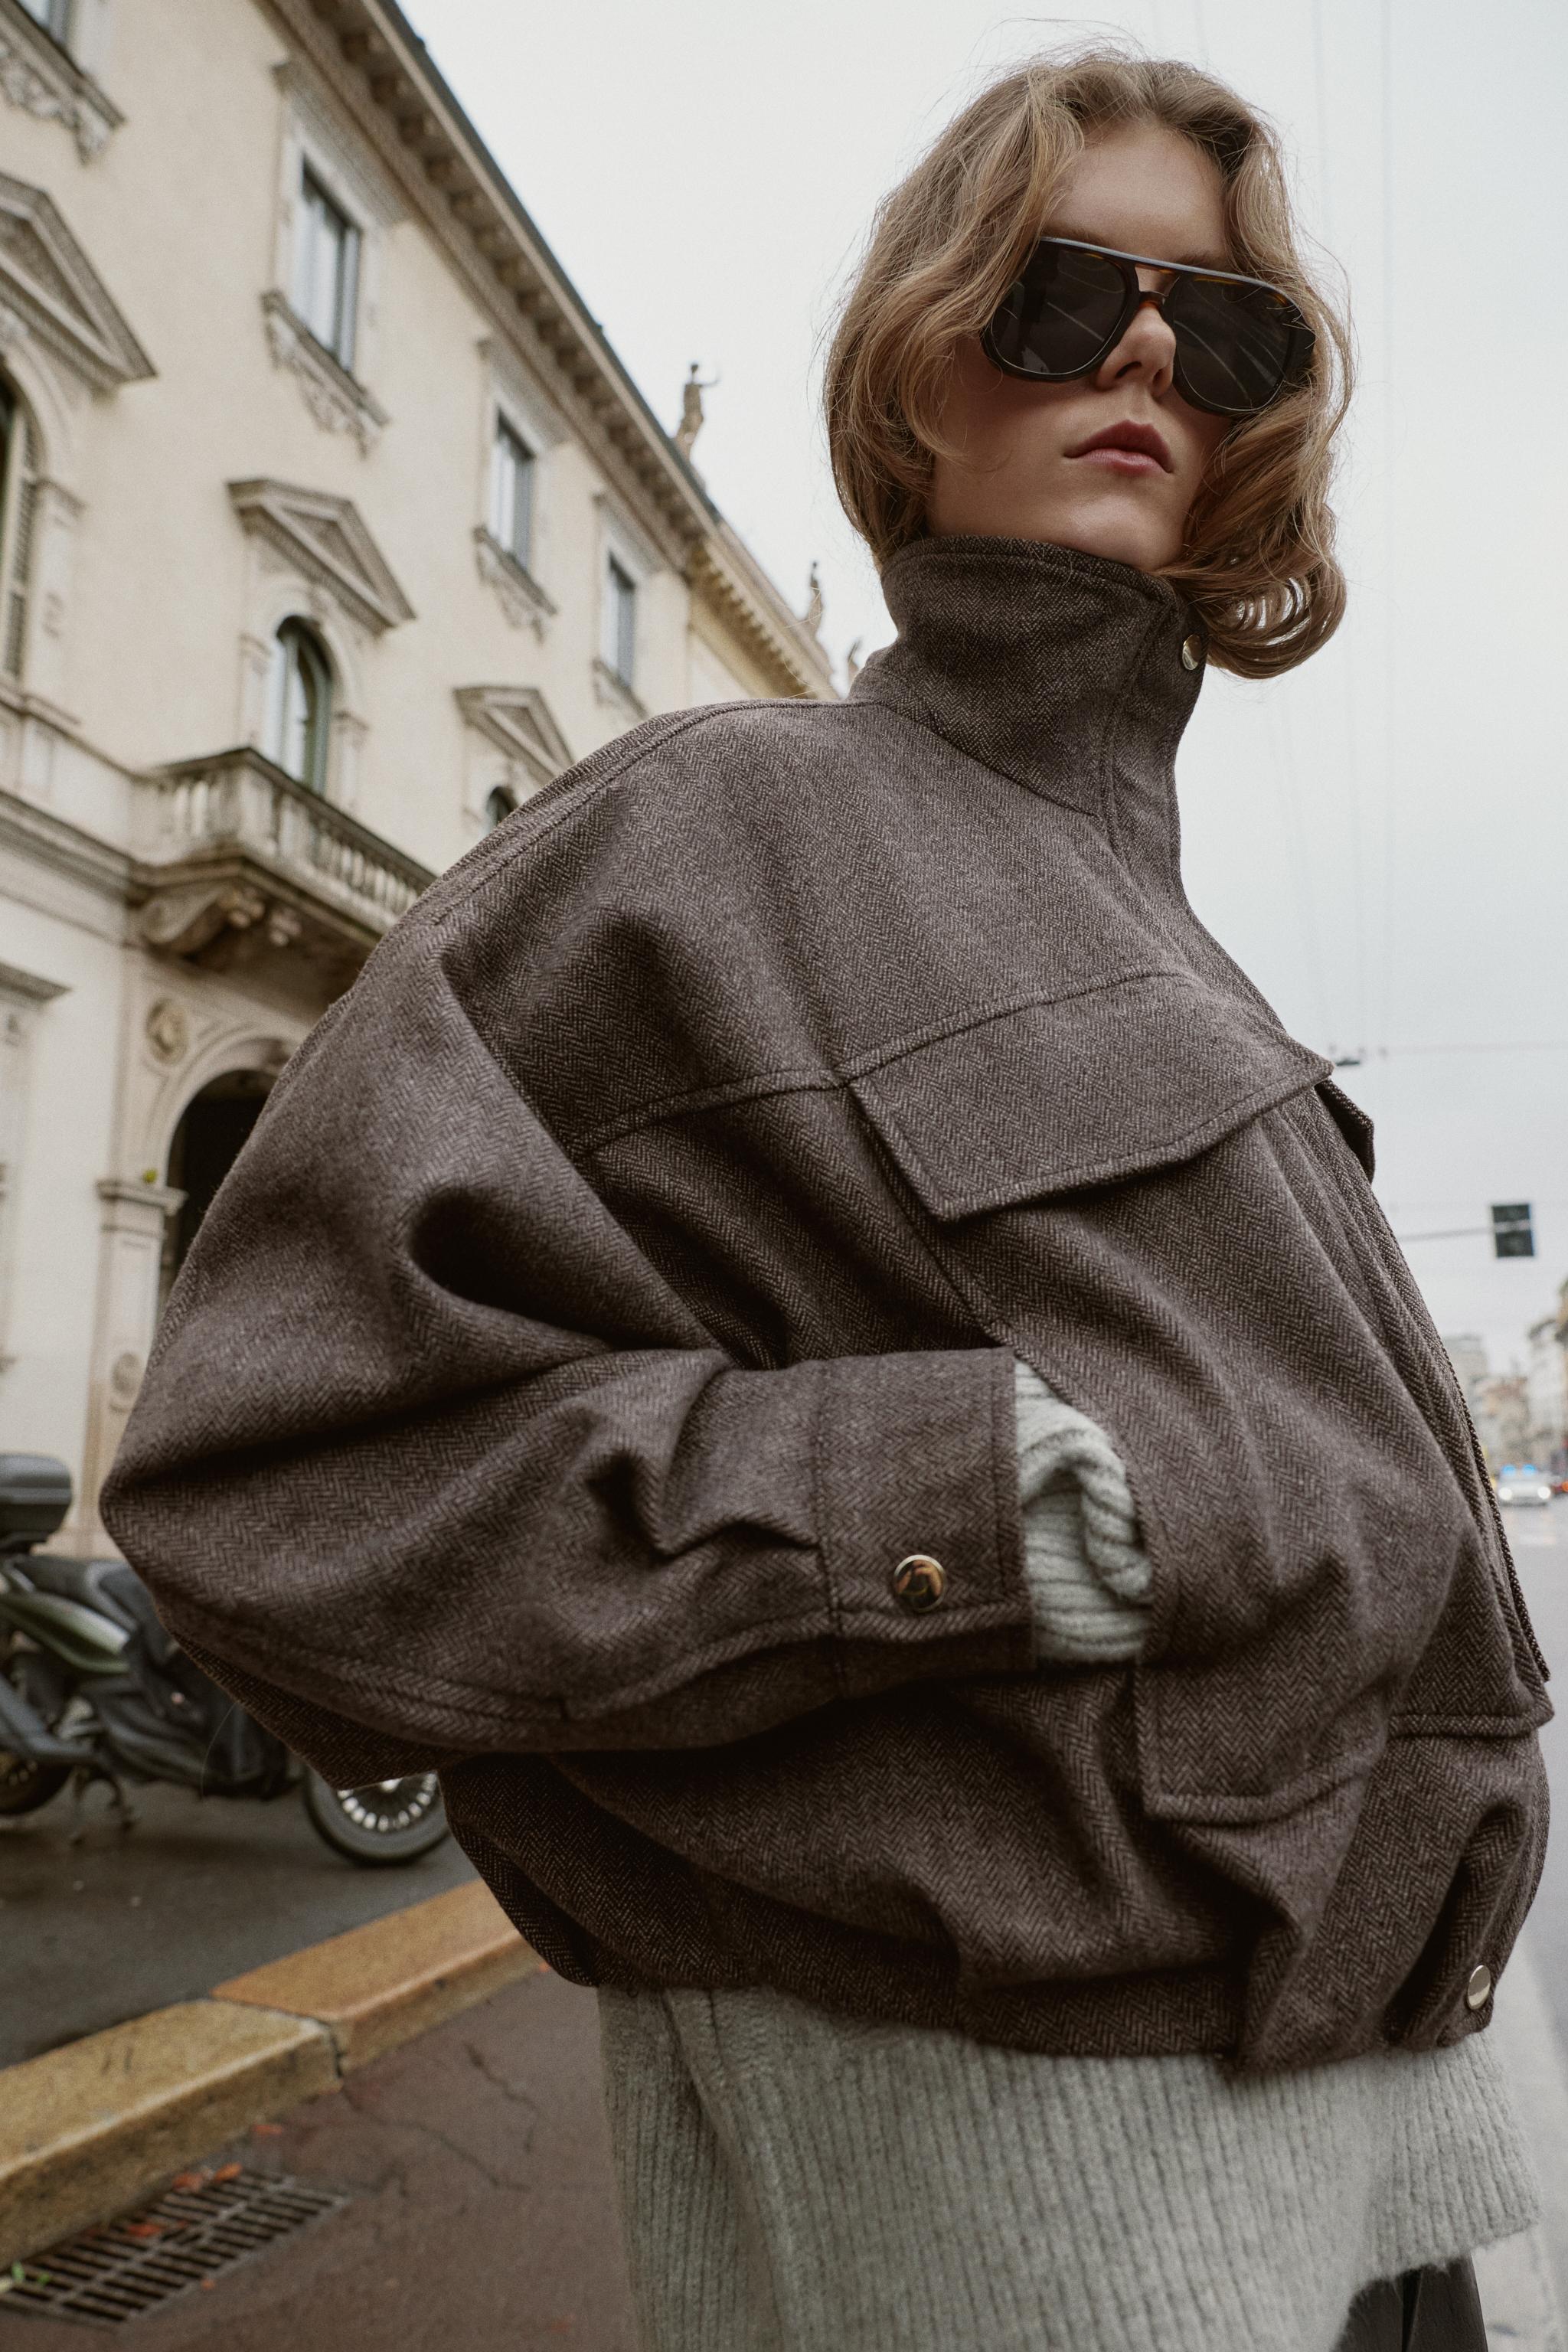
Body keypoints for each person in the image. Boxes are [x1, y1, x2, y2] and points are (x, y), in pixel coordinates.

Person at [103, 44, 1550, 2352]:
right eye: (1072, 297)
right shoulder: (715, 831)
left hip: (1388, 2145)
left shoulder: (1182, 941)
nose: (1156, 353)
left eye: (1230, 327)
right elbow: (268, 1479)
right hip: (1043, 2196)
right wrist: (938, 1501)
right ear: (921, 354)